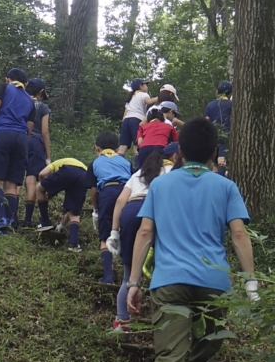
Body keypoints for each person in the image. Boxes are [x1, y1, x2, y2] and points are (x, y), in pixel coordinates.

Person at [126, 117, 259, 362]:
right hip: (213, 284)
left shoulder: (160, 186)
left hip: (168, 282)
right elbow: (239, 234)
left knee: (169, 356)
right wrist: (250, 283)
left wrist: (133, 282)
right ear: (215, 152)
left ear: (180, 151)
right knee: (204, 359)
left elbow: (144, 233)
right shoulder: (225, 187)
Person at [106, 150, 175, 332]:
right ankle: (164, 324)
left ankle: (121, 322)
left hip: (130, 210)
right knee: (163, 269)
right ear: (175, 156)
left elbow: (121, 200)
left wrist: (114, 231)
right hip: (157, 212)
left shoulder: (140, 173)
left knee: (128, 275)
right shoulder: (174, 171)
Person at [0, 68, 36, 232]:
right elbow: (30, 128)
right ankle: (8, 225)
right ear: (25, 84)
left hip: (3, 134)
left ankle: (0, 218)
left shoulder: (4, 88)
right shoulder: (30, 100)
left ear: (7, 80)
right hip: (22, 139)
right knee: (11, 184)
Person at [85, 131, 132, 283]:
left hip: (107, 192)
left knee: (104, 236)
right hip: (127, 193)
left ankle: (108, 276)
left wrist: (96, 209)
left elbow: (93, 190)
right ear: (118, 148)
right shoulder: (126, 162)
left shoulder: (94, 163)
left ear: (97, 148)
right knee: (126, 232)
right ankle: (129, 277)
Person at [35, 157, 88, 250]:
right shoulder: (78, 163)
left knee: (39, 188)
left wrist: (45, 186)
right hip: (84, 176)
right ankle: (73, 244)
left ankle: (45, 222)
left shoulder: (56, 163)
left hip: (67, 171)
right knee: (74, 212)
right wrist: (62, 225)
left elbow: (42, 174)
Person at [22, 78, 51, 228]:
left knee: (20, 178)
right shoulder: (42, 107)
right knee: (33, 177)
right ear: (40, 92)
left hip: (20, 140)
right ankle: (29, 219)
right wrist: (48, 156)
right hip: (35, 143)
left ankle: (16, 218)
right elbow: (45, 132)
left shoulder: (21, 101)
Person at [118, 79, 159, 156]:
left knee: (123, 146)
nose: (147, 87)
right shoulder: (143, 94)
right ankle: (138, 164)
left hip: (126, 121)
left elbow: (125, 113)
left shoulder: (130, 98)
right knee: (137, 144)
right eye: (145, 85)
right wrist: (161, 96)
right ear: (141, 86)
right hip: (136, 120)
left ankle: (116, 162)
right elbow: (149, 101)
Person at [205, 80, 232, 175]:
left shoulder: (210, 105)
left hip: (214, 137)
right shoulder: (232, 105)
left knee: (215, 164)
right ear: (231, 93)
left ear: (217, 92)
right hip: (227, 137)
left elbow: (206, 121)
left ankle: (213, 184)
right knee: (223, 162)